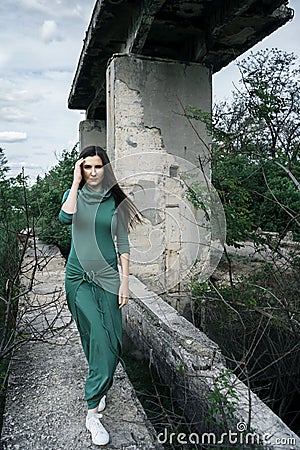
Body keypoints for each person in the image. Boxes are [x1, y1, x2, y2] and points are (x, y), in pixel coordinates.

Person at [58, 145, 142, 446]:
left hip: (108, 280)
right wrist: (74, 182)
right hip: (78, 279)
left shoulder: (116, 202)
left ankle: (98, 384)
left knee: (112, 343)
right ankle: (92, 413)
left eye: (97, 167)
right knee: (95, 336)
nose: (93, 172)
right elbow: (64, 219)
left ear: (106, 168)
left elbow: (123, 244)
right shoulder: (75, 197)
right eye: (87, 167)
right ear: (81, 169)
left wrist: (124, 282)